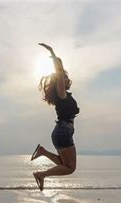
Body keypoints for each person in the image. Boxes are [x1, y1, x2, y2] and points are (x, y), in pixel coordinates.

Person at [31, 43, 80, 191]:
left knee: (65, 165)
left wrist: (57, 59)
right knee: (70, 168)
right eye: (63, 78)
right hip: (63, 131)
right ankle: (41, 174)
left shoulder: (63, 95)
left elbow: (60, 72)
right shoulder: (61, 94)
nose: (65, 79)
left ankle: (43, 152)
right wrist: (53, 54)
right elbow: (59, 72)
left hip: (62, 132)